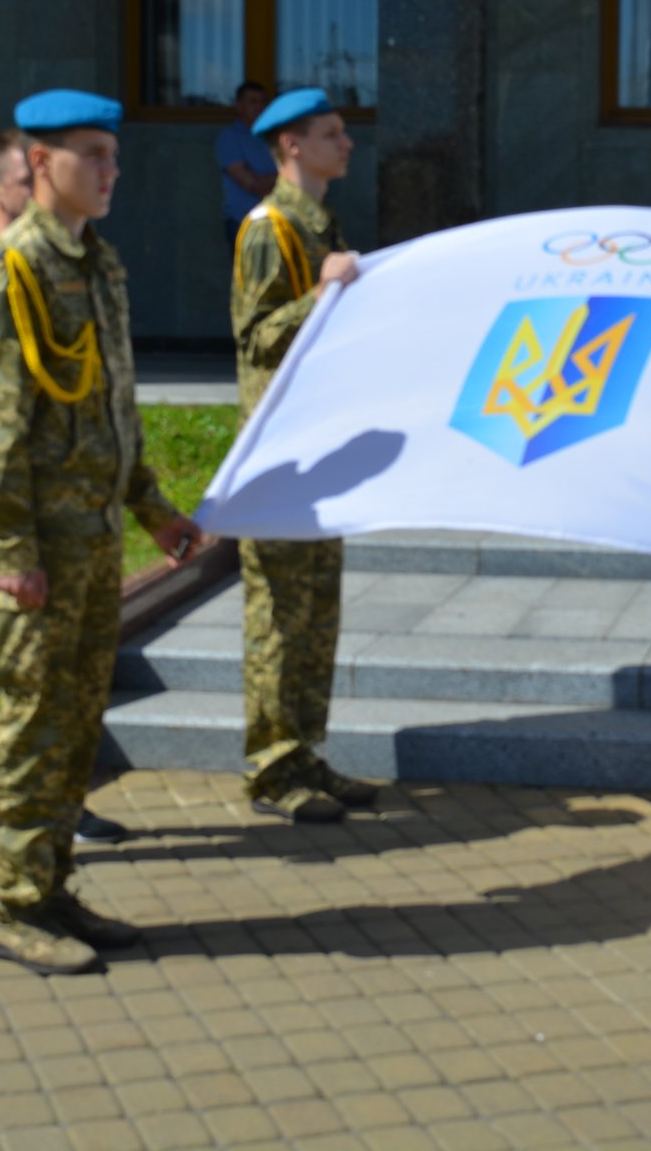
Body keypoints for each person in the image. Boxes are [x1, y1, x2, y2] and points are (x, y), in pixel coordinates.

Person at [0, 89, 203, 975]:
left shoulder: (99, 266)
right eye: (91, 155)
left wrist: (153, 508)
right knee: (31, 722)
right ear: (38, 165)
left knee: (73, 723)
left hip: (96, 538)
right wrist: (13, 555)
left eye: (113, 154)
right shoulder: (15, 271)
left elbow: (111, 411)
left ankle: (54, 886)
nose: (110, 171)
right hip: (42, 556)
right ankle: (17, 906)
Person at [0, 130, 130, 880]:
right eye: (21, 180)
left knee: (63, 668)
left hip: (58, 505)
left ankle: (59, 803)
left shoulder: (76, 267)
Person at [230, 87, 377, 824]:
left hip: (322, 449)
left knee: (317, 612)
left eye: (343, 131)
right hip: (281, 457)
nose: (345, 142)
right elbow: (255, 337)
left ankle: (303, 750)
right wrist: (321, 295)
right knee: (278, 615)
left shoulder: (321, 223)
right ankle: (270, 766)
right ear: (291, 146)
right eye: (331, 132)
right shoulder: (269, 229)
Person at [215, 81, 276, 247]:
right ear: (240, 106)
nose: (260, 107)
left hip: (278, 223)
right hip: (244, 224)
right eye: (253, 102)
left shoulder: (274, 137)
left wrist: (270, 179)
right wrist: (280, 178)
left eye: (263, 102)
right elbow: (254, 185)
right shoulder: (230, 137)